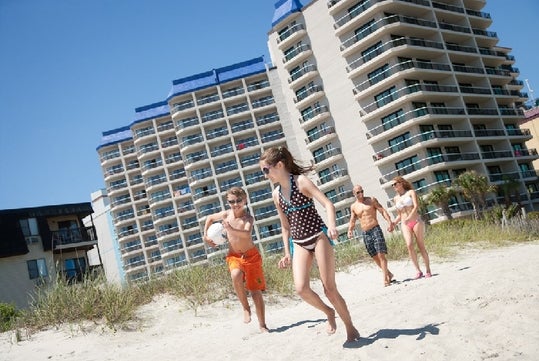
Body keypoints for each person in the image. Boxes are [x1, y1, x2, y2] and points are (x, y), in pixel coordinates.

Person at [259, 146, 360, 342]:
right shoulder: (276, 194)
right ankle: (329, 313)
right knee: (301, 288)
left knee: (329, 288)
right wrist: (287, 253)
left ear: (279, 165)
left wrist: (331, 226)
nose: (265, 175)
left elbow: (328, 204)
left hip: (318, 236)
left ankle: (350, 327)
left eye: (265, 170)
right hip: (298, 242)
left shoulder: (301, 182)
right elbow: (285, 226)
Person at [203, 187, 269, 332]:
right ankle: (245, 308)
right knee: (235, 275)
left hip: (251, 256)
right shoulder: (226, 215)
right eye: (231, 201)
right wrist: (205, 236)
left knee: (255, 292)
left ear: (245, 200)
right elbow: (210, 218)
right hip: (234, 256)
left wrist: (230, 229)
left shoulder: (248, 218)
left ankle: (262, 325)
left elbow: (246, 234)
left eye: (239, 200)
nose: (235, 204)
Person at [347, 184, 395, 286]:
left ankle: (385, 279)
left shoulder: (371, 200)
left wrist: (389, 222)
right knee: (374, 256)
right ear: (354, 194)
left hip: (375, 229)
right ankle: (389, 274)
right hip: (365, 233)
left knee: (380, 254)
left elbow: (382, 210)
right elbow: (352, 220)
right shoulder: (354, 206)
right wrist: (350, 230)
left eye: (362, 191)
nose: (361, 194)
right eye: (358, 192)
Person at [391, 176, 432, 279]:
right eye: (392, 185)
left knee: (420, 245)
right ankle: (418, 271)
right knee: (409, 245)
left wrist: (410, 217)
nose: (393, 186)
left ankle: (428, 270)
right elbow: (399, 215)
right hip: (405, 224)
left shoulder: (411, 192)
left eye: (395, 184)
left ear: (401, 183)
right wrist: (393, 223)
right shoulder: (395, 198)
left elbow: (416, 206)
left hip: (416, 221)